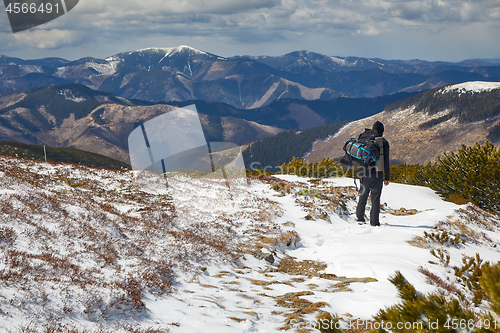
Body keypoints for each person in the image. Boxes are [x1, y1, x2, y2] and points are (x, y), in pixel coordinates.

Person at [355, 121, 390, 226]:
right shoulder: (384, 142)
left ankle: (360, 218)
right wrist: (387, 177)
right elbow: (386, 161)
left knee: (363, 196)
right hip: (377, 175)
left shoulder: (366, 141)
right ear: (382, 131)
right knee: (375, 199)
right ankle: (374, 222)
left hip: (365, 173)